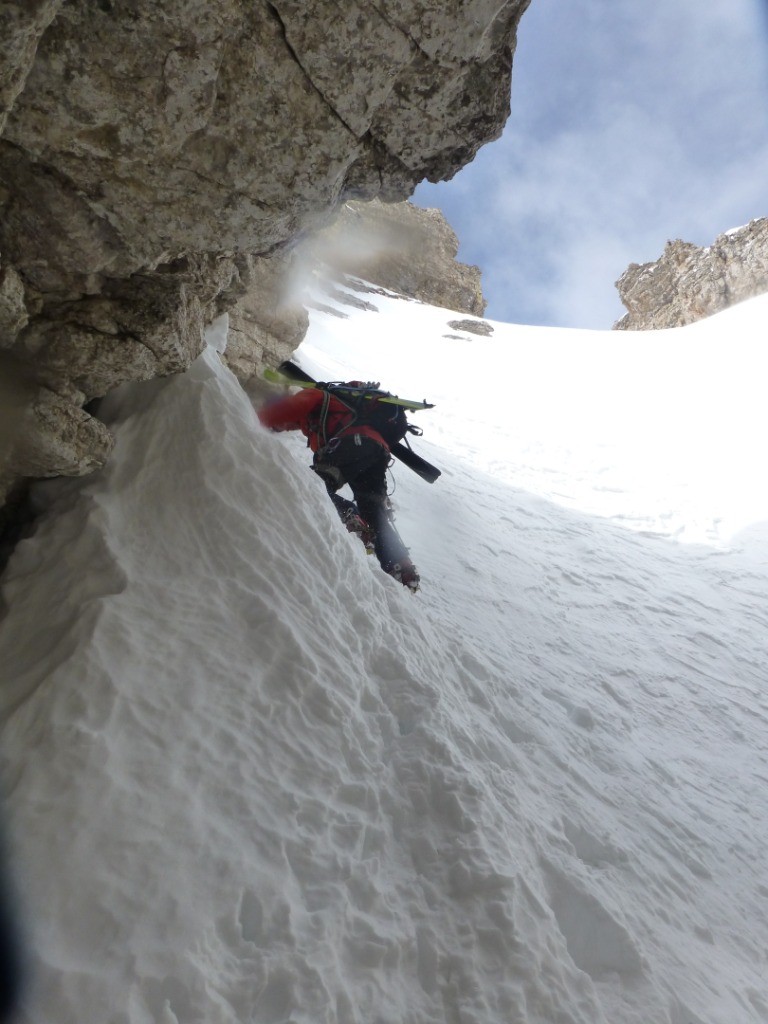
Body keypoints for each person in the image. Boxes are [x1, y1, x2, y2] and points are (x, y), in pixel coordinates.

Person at [258, 384, 420, 591]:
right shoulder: (331, 411)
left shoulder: (316, 394)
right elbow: (289, 421)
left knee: (311, 483)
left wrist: (251, 416)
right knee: (374, 511)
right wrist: (277, 425)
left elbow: (288, 409)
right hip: (377, 451)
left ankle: (351, 516)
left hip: (355, 443)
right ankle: (403, 569)